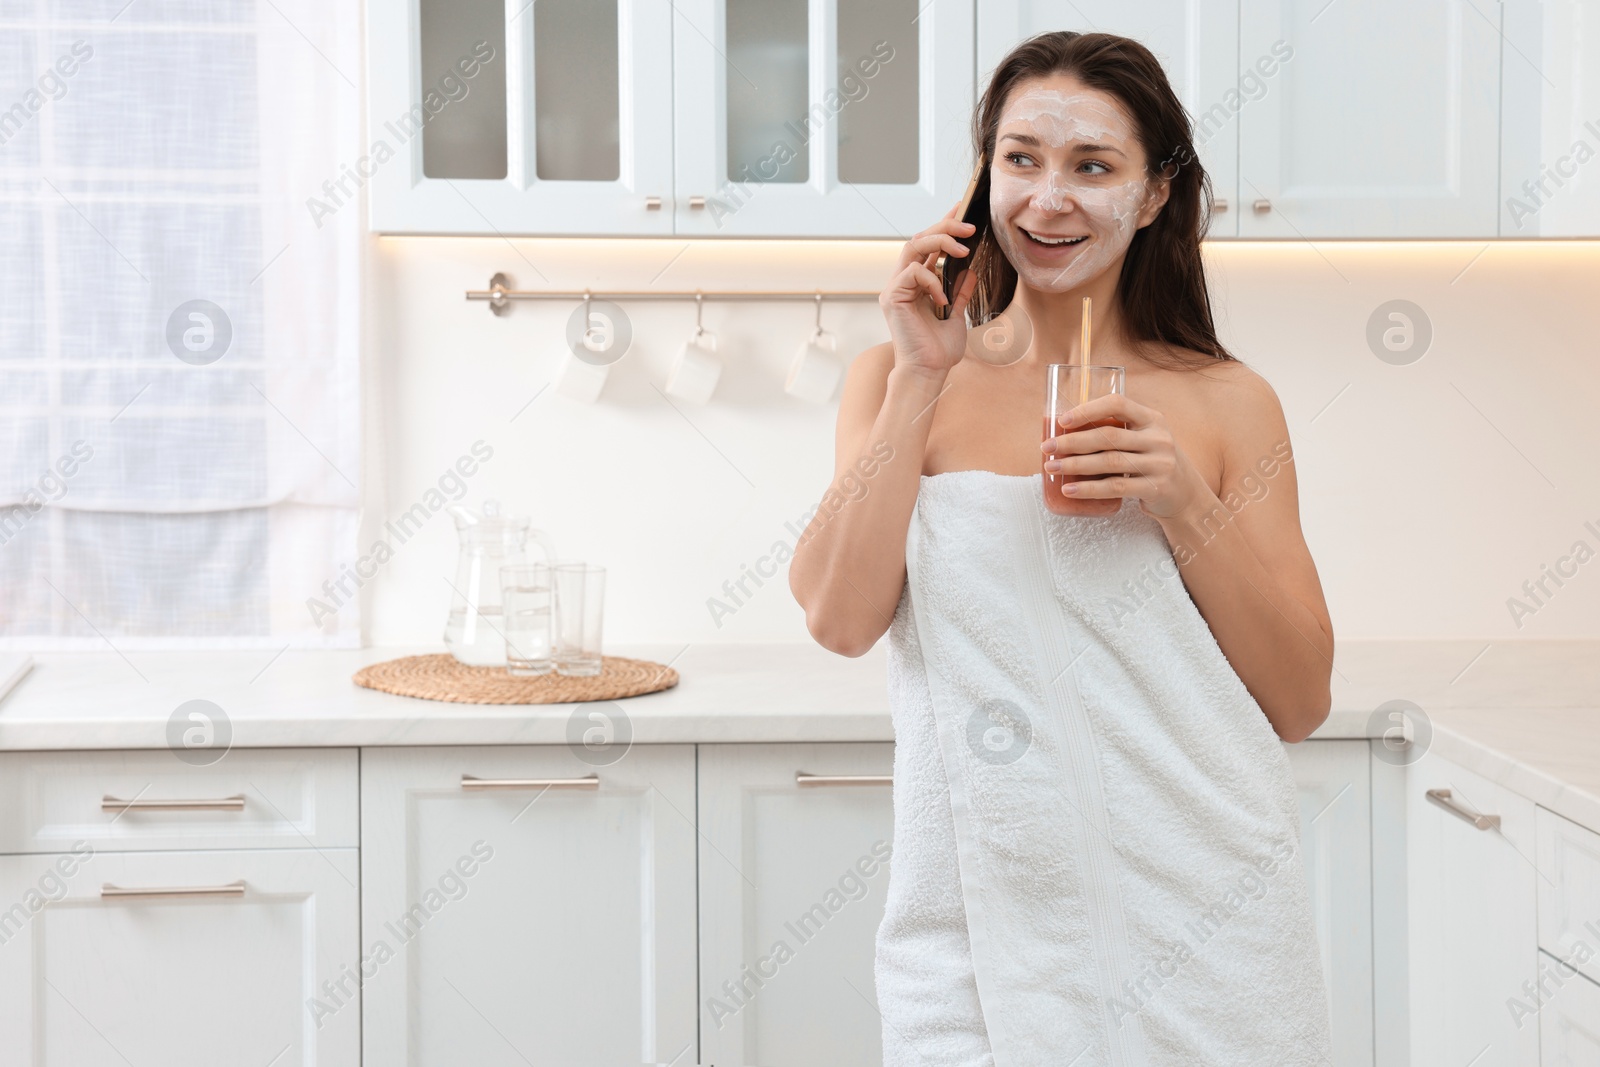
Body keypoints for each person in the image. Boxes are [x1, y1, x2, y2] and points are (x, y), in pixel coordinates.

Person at [788, 30, 1336, 1065]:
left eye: (1093, 166)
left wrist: (1181, 497)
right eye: (1021, 158)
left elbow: (1299, 696)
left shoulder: (1226, 401)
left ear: (1155, 194)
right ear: (982, 176)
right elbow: (836, 615)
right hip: (980, 922)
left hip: (1204, 918)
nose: (1049, 198)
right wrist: (919, 375)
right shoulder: (895, 376)